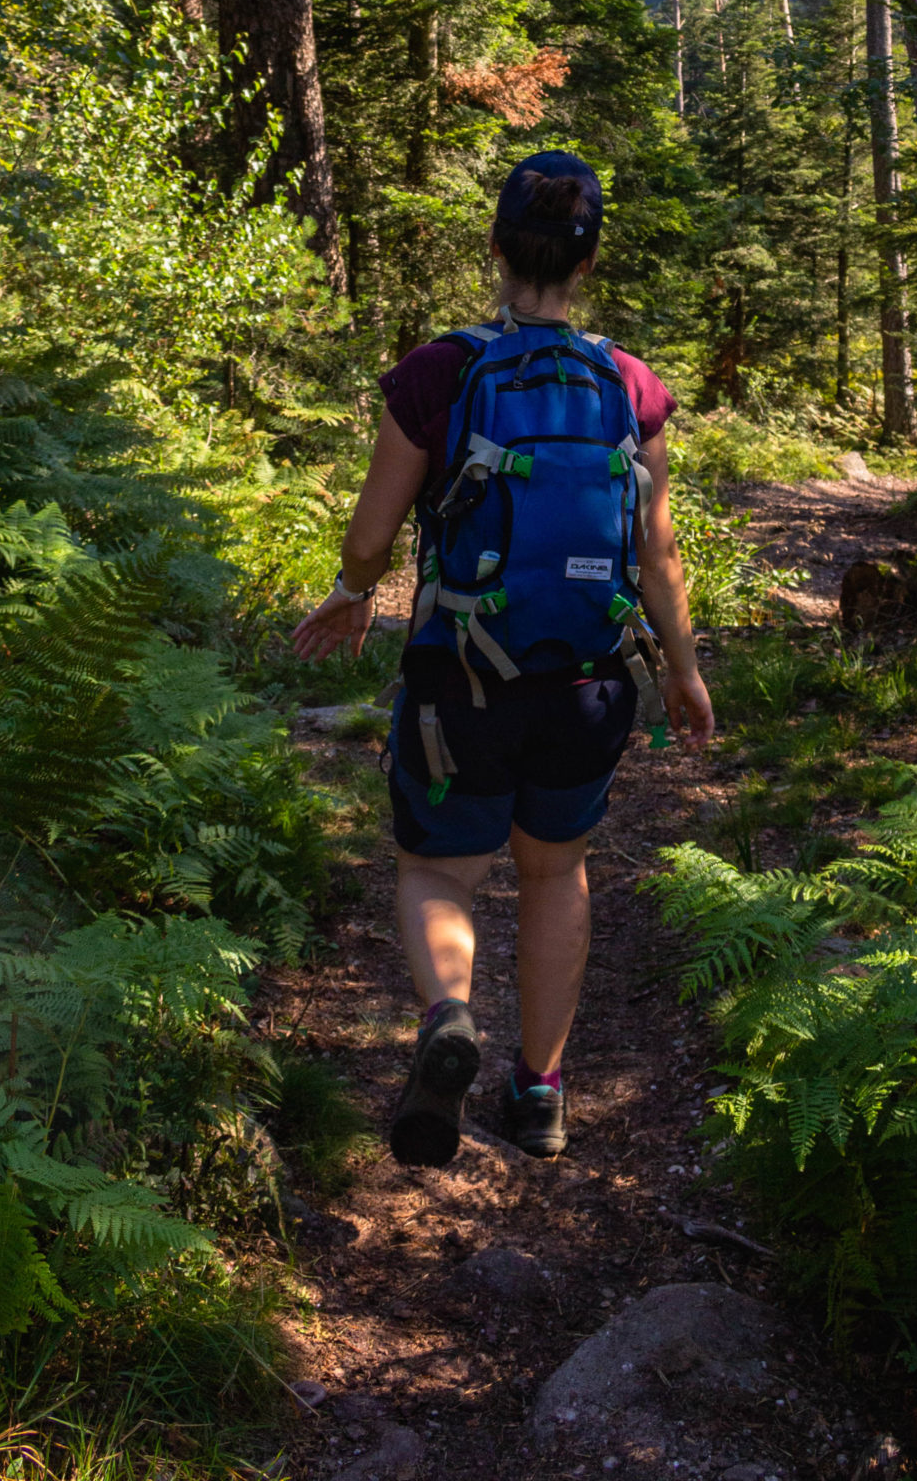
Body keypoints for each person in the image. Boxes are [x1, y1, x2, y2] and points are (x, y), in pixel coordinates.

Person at [293, 149, 714, 1168]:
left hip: (460, 683)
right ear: (591, 259)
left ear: (494, 245)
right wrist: (684, 670)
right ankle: (541, 1092)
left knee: (439, 865)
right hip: (587, 683)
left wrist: (355, 596)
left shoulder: (441, 374)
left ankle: (448, 1016)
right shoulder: (630, 385)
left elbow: (369, 535)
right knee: (556, 872)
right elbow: (656, 553)